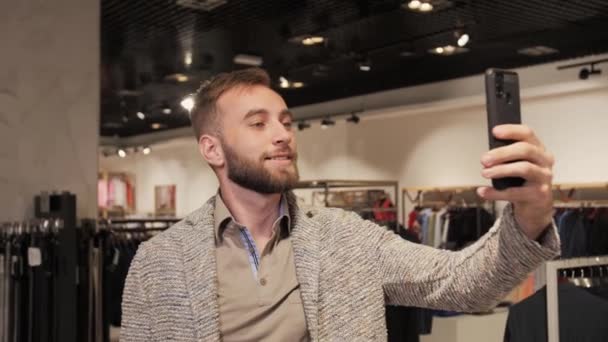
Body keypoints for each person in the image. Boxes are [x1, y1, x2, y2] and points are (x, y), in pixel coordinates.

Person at [120, 68, 560, 342]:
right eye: (258, 123)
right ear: (212, 149)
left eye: (286, 122)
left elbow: (463, 283)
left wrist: (531, 215)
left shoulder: (346, 238)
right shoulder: (159, 263)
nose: (282, 134)